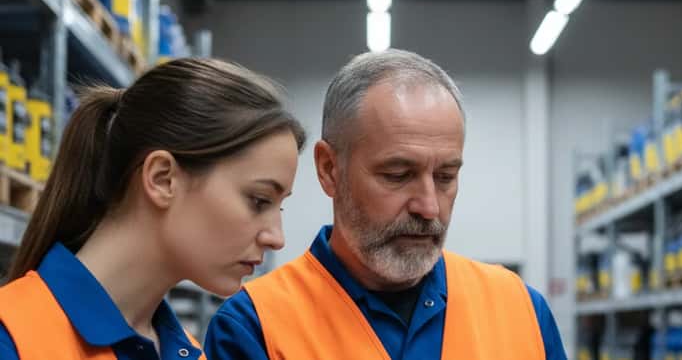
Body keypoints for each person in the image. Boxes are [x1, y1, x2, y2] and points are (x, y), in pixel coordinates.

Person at [205, 49, 567, 360]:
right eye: (397, 174)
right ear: (330, 169)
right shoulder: (255, 327)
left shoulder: (521, 311)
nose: (429, 207)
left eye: (445, 177)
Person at [0, 58, 306, 360]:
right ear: (162, 179)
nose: (276, 238)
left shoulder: (186, 351)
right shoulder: (14, 337)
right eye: (259, 200)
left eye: (279, 208)